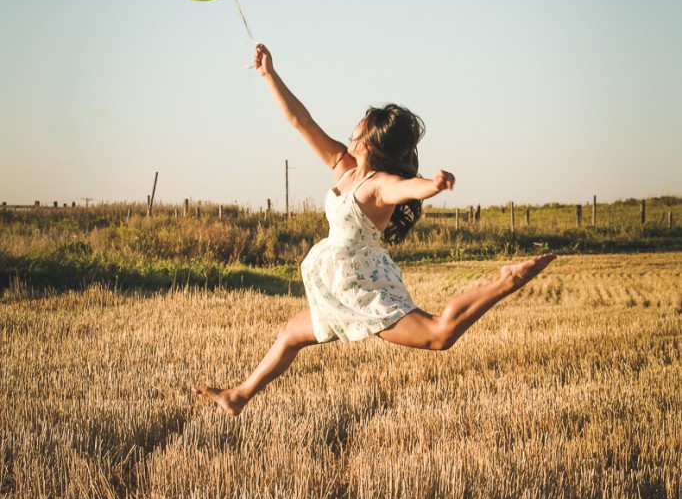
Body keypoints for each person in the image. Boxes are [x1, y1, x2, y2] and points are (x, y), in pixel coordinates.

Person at [195, 44, 556, 415]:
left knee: (438, 334)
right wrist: (270, 75)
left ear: (369, 138)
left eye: (362, 121)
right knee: (290, 335)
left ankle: (508, 281)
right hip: (341, 283)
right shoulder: (344, 166)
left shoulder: (380, 184)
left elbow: (407, 188)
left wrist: (432, 185)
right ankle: (238, 396)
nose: (355, 122)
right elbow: (300, 121)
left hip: (364, 288)